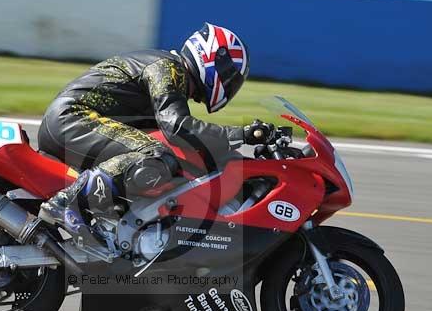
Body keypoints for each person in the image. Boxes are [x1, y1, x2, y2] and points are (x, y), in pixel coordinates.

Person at [37, 22, 273, 233]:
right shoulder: (167, 67)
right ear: (212, 58)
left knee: (161, 159)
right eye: (229, 75)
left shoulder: (171, 74)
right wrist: (240, 135)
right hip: (74, 119)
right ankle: (66, 202)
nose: (229, 83)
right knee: (156, 155)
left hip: (75, 123)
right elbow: (177, 126)